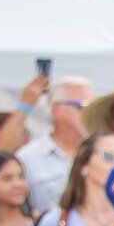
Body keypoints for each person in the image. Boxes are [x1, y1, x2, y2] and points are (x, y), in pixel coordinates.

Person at [18, 74, 92, 212]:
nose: (90, 113)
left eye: (92, 106)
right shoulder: (28, 157)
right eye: (82, 106)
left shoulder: (104, 152)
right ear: (56, 109)